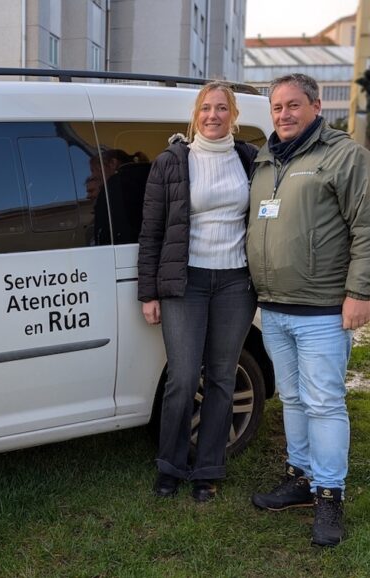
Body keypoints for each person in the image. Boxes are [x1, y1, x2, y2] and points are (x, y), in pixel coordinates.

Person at [246, 73, 370, 547]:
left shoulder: (343, 155)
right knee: (293, 400)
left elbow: (365, 227)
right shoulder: (264, 160)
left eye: (293, 105)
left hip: (321, 310)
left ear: (316, 106)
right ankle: (300, 479)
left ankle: (330, 496)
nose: (283, 114)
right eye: (276, 107)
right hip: (274, 308)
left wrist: (360, 293)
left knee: (324, 403)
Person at [137, 82, 258, 502]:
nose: (213, 115)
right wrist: (148, 293)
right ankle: (169, 467)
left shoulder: (249, 160)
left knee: (222, 378)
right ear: (195, 113)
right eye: (206, 108)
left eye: (221, 108)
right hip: (185, 282)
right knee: (183, 378)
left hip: (235, 284)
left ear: (233, 115)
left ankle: (207, 470)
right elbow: (150, 231)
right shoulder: (173, 161)